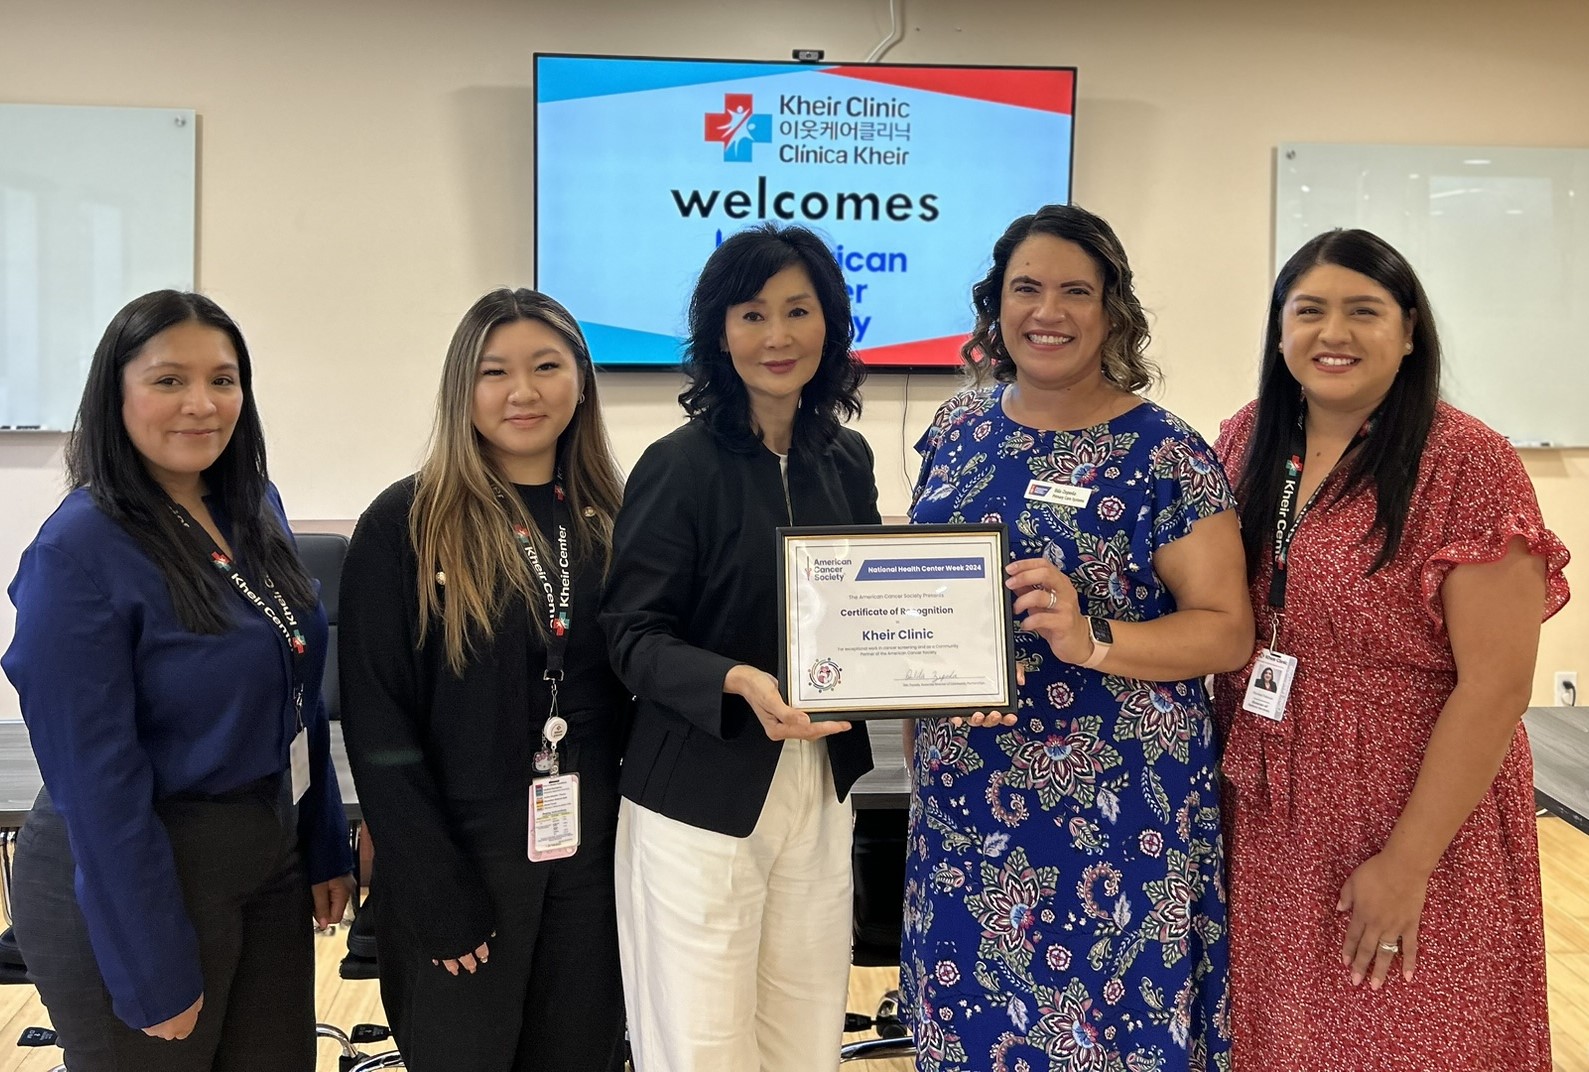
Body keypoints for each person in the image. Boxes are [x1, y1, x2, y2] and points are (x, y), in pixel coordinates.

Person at [900, 204, 1253, 1072]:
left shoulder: (1165, 452)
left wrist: (1093, 634)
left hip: (1118, 810)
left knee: (1114, 1035)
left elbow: (1226, 631)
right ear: (995, 306)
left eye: (1073, 292)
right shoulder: (957, 428)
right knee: (972, 1027)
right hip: (968, 800)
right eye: (1025, 288)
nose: (1045, 311)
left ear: (1112, 313)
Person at [1212, 228, 1570, 1071]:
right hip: (1268, 812)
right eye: (1308, 312)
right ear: (1278, 329)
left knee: (1410, 1035)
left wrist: (1406, 864)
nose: (1332, 334)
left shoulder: (1465, 461)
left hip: (1417, 812)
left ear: (1408, 331)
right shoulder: (1246, 437)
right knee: (1282, 1038)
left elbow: (1493, 685)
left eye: (1362, 311)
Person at [2, 290, 354, 1071]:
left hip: (264, 857)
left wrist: (324, 841)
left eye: (223, 380)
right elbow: (99, 785)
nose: (202, 404)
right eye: (169, 381)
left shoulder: (251, 507)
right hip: (137, 874)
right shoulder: (79, 553)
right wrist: (151, 966)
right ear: (115, 394)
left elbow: (294, 690)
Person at [601, 222, 879, 1072]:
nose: (777, 336)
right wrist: (734, 679)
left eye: (799, 311)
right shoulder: (677, 465)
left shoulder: (847, 459)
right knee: (702, 1045)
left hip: (820, 786)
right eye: (752, 313)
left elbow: (868, 614)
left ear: (830, 325)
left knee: (802, 1038)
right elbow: (632, 637)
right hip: (700, 794)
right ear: (719, 332)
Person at [339, 288, 629, 1070]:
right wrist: (434, 893)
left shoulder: (617, 517)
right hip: (459, 873)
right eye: (494, 371)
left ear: (581, 380)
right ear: (460, 388)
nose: (523, 392)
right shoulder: (404, 523)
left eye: (546, 366)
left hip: (593, 875)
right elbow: (379, 728)